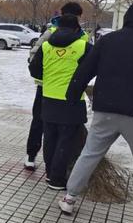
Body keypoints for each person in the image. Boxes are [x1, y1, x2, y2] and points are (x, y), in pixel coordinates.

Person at [59, 3, 133, 223]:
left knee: (90, 153)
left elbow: (85, 70)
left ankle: (69, 198)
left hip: (106, 110)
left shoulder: (108, 41)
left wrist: (72, 94)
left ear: (127, 18)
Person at [29, 14, 92, 190]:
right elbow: (94, 68)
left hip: (48, 99)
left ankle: (50, 173)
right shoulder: (83, 46)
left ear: (57, 27)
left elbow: (34, 69)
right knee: (66, 140)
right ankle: (57, 179)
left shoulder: (46, 46)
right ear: (77, 29)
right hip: (71, 100)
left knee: (50, 137)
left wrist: (50, 79)